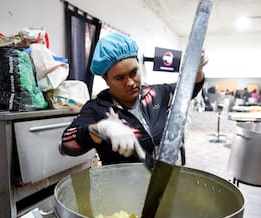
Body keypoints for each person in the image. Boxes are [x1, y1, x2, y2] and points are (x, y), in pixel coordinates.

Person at [60, 32, 206, 165]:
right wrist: (98, 130)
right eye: (119, 78)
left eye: (133, 72)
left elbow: (189, 91)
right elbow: (66, 145)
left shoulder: (155, 94)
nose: (130, 82)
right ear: (107, 80)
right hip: (123, 189)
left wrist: (196, 69)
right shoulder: (96, 109)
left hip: (163, 181)